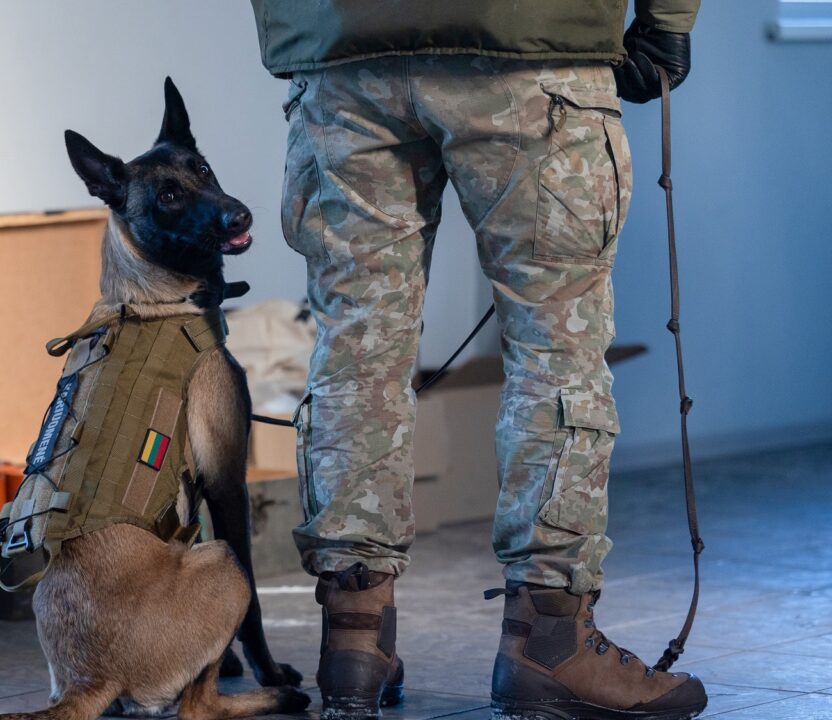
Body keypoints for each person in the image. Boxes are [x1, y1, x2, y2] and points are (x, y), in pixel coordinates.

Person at [248, 2, 706, 719]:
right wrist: (668, 20)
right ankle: (548, 642)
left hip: (342, 47)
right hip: (530, 39)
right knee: (556, 346)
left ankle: (354, 641)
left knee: (357, 350)